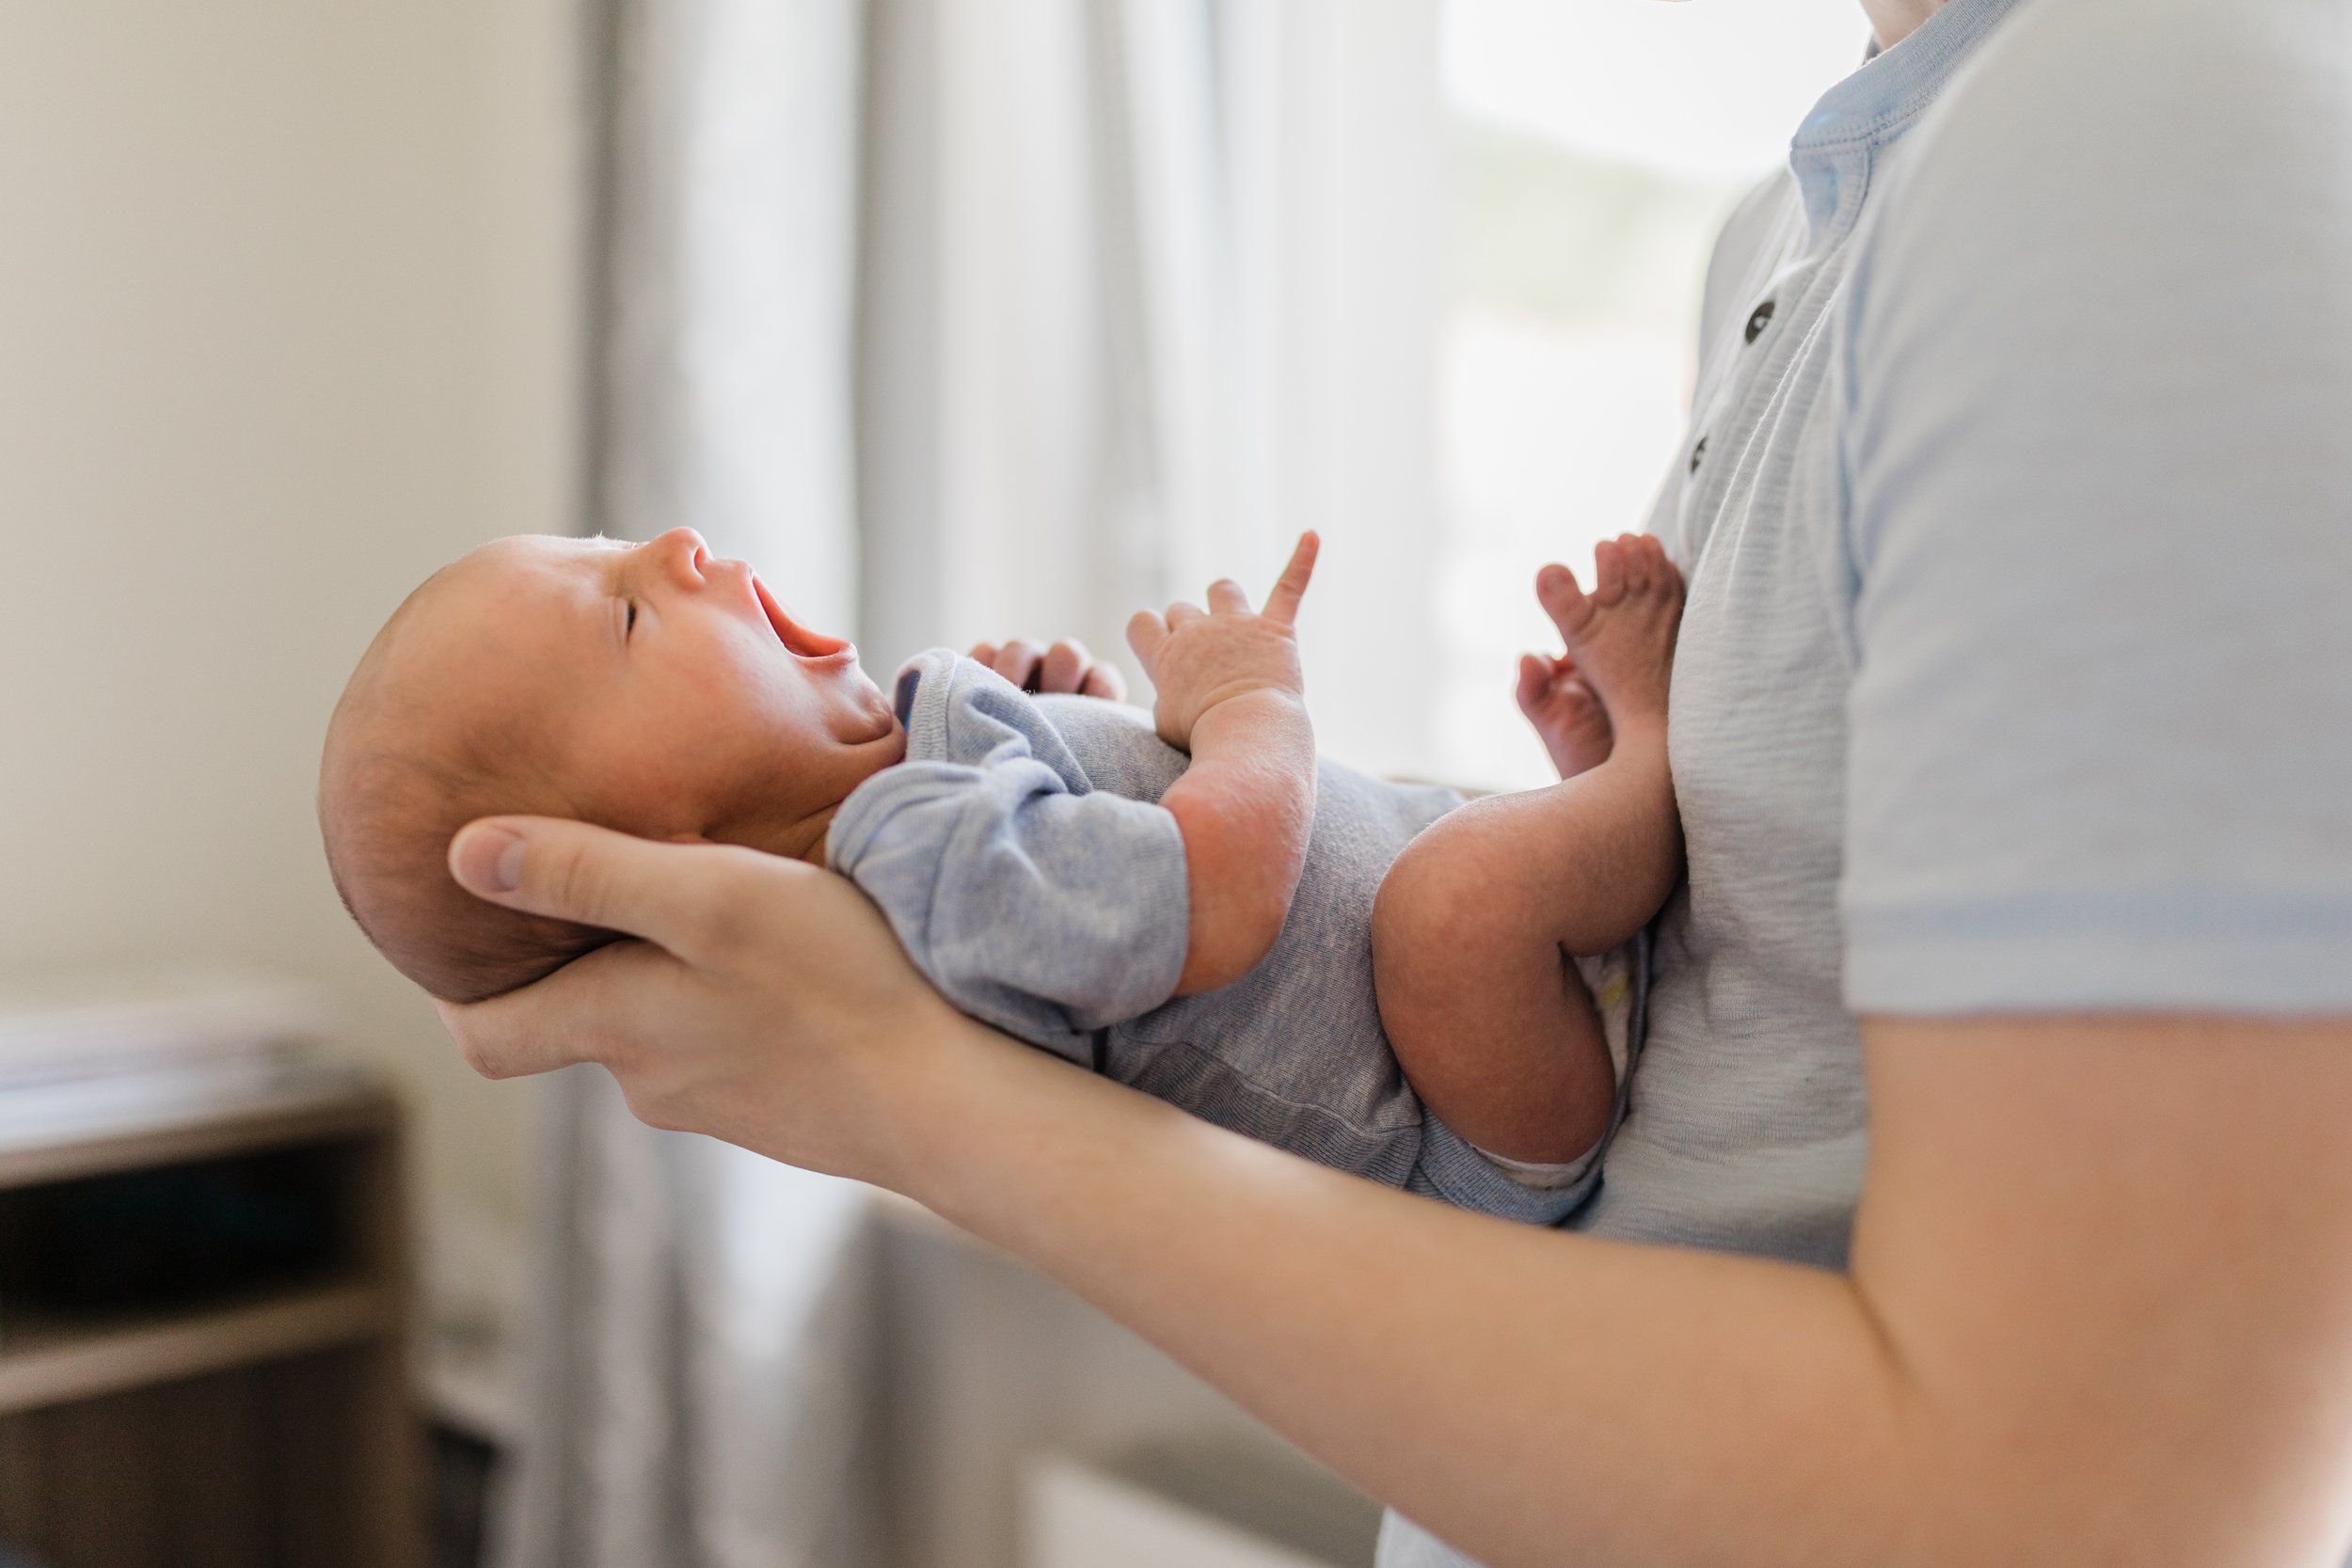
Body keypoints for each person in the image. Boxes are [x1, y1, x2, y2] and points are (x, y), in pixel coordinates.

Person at [432, 0, 2352, 1560]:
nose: (675, 555)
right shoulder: (1803, 221)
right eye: (614, 614)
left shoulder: (2135, 123)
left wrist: (900, 1093)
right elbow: (1758, 964)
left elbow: (2081, 1507)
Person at [321, 515, 1683, 1220]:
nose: (677, 547)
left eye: (620, 541)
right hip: (1466, 1138)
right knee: (1457, 904)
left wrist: (1077, 723)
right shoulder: (916, 862)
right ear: (653, 839)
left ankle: (1583, 824)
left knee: (1452, 870)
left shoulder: (919, 790)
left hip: (1472, 1029)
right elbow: (1214, 900)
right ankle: (1652, 765)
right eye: (623, 612)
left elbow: (1116, 886)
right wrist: (1252, 708)